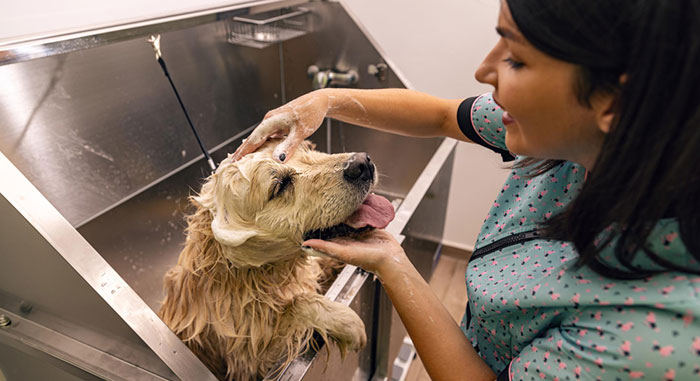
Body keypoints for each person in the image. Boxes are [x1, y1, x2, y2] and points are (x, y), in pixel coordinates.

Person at [232, 0, 700, 379]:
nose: (483, 70)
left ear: (613, 101)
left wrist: (393, 263)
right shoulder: (592, 134)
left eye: (516, 58)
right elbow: (438, 115)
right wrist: (324, 100)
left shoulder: (649, 338)